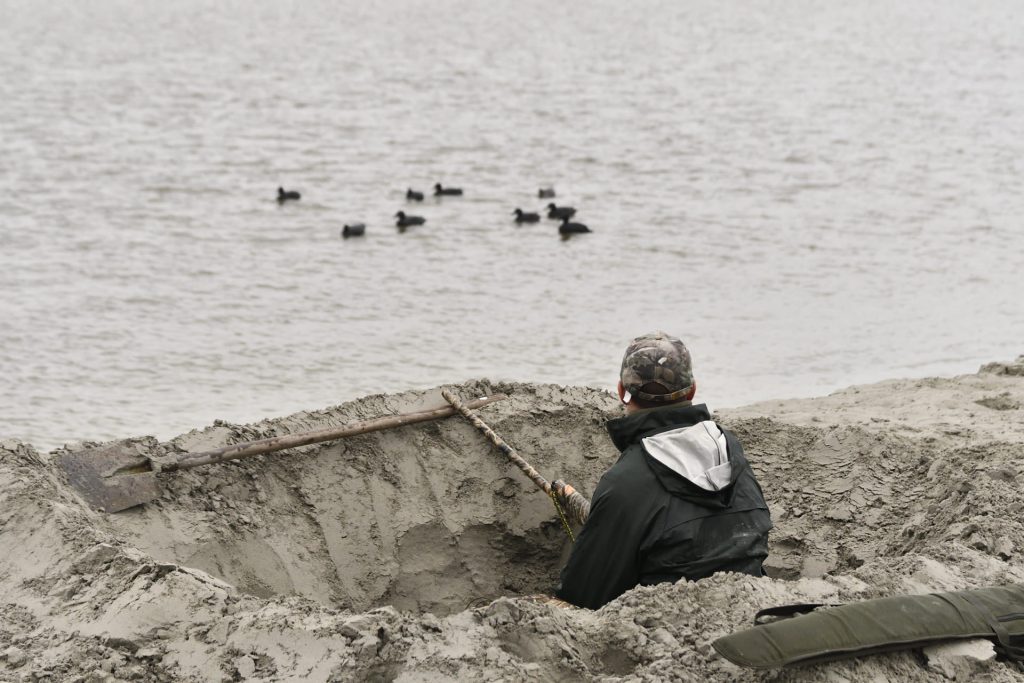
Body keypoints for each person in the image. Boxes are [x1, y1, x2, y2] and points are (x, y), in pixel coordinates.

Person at [554, 331, 772, 609]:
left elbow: (583, 594)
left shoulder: (625, 481)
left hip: (668, 619)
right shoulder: (730, 447)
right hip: (752, 600)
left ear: (622, 392)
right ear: (692, 390)